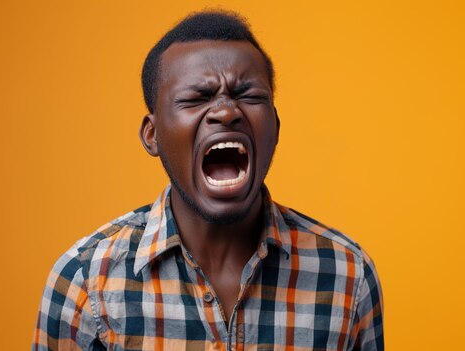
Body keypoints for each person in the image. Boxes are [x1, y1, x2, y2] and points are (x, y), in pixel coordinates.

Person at [33, 10, 383, 351]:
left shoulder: (347, 276)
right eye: (196, 98)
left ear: (274, 127)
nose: (226, 112)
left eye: (248, 95)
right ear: (152, 135)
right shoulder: (85, 282)